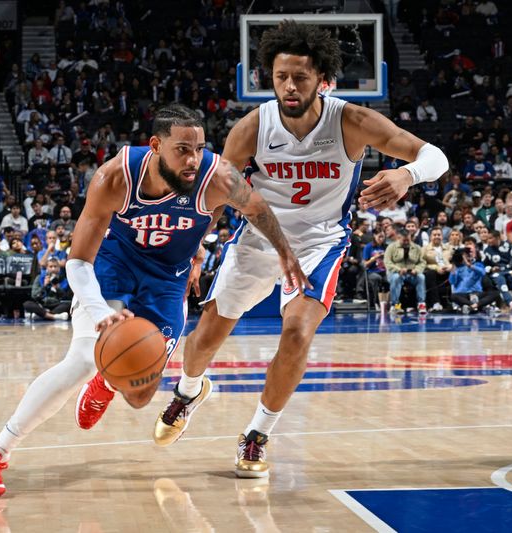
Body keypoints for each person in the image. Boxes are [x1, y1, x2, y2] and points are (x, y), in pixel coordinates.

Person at [151, 21, 449, 479]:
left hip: (319, 242)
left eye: (300, 77)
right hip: (258, 238)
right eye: (281, 77)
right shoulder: (253, 126)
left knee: (297, 334)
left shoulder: (352, 120)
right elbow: (217, 190)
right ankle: (188, 392)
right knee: (206, 338)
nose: (289, 86)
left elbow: (436, 156)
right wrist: (194, 251)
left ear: (322, 79)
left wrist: (406, 175)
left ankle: (257, 434)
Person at [0, 104, 302, 499]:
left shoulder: (217, 178)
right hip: (114, 268)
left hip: (167, 281)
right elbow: (77, 261)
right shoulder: (115, 177)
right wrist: (99, 313)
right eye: (182, 149)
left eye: (199, 148)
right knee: (83, 358)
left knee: (140, 394)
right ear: (156, 145)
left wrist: (283, 253)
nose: (193, 159)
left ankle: (106, 382)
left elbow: (257, 209)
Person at [385, 229, 428, 314]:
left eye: (408, 240)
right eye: (403, 240)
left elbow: (422, 262)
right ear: (398, 238)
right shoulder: (391, 247)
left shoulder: (417, 248)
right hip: (396, 273)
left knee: (421, 277)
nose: (406, 242)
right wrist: (398, 270)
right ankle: (395, 305)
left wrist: (417, 270)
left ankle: (421, 304)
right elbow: (387, 262)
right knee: (396, 278)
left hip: (412, 273)